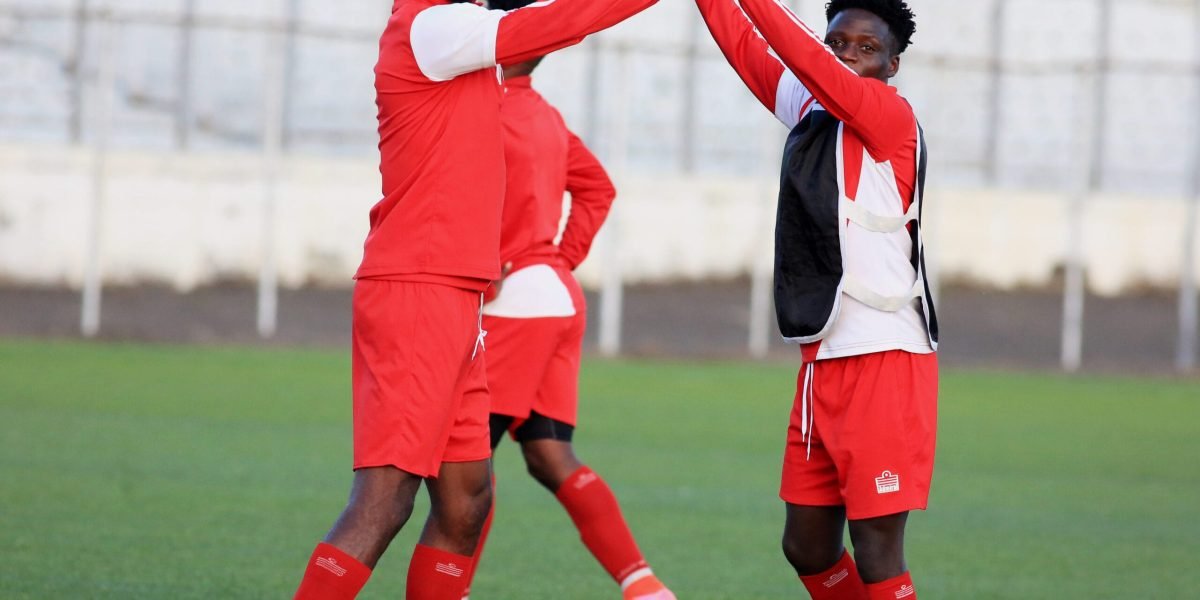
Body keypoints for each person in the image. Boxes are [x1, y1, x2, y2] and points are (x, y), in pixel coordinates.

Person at [291, 0, 657, 598]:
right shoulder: (431, 25)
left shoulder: (464, 39)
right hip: (418, 288)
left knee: (467, 503)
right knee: (384, 501)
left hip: (459, 296)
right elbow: (548, 23)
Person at [693, 0, 938, 598]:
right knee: (805, 545)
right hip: (821, 359)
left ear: (893, 65)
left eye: (867, 48)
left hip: (883, 357)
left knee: (878, 552)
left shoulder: (888, 114)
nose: (850, 56)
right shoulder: (814, 109)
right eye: (839, 43)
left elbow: (799, 55)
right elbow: (748, 49)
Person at [454, 2, 676, 597]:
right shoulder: (545, 116)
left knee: (466, 468)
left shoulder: (478, 113)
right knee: (550, 455)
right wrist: (558, 256)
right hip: (556, 297)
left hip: (513, 303)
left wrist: (507, 261)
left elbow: (473, 203)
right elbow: (598, 188)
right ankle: (644, 586)